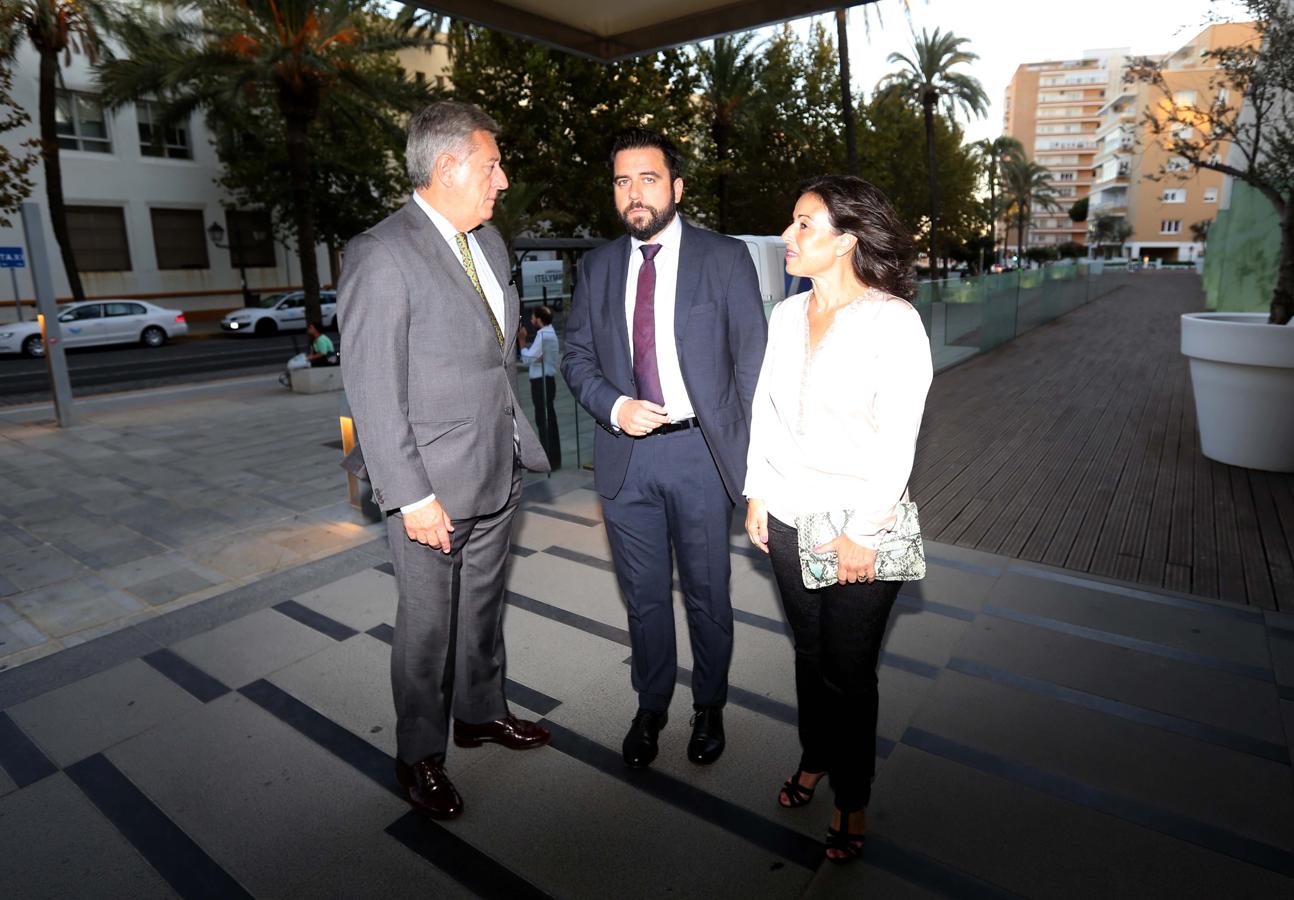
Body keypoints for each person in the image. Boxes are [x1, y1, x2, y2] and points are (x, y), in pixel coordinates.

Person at [338, 101, 552, 821]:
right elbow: (371, 387)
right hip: (428, 487)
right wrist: (408, 493)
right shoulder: (381, 252)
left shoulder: (489, 243)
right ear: (449, 165)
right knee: (428, 626)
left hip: (499, 466)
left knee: (484, 609)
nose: (503, 179)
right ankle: (419, 754)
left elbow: (494, 356)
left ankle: (480, 712)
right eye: (492, 165)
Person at [561, 128, 767, 770]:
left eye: (648, 179)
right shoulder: (597, 267)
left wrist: (755, 467)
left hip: (700, 454)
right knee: (644, 597)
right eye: (622, 181)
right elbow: (576, 357)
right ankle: (651, 705)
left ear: (676, 187)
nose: (634, 193)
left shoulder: (724, 258)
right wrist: (614, 406)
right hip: (627, 461)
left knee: (708, 593)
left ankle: (709, 705)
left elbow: (751, 365)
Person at [743, 175, 932, 864]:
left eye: (803, 225)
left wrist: (867, 531)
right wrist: (757, 492)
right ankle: (814, 756)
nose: (788, 238)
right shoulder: (786, 315)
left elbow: (898, 438)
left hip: (859, 525)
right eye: (791, 224)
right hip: (790, 515)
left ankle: (852, 797)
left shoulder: (893, 320)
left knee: (851, 672)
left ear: (847, 239)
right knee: (811, 654)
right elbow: (765, 411)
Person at [518, 305, 561, 469]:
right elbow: (535, 357)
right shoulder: (549, 333)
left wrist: (522, 341)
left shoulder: (544, 335)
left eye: (533, 317)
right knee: (548, 418)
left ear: (539, 319)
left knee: (543, 420)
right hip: (546, 380)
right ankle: (553, 459)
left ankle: (548, 460)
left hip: (541, 382)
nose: (531, 320)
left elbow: (528, 359)